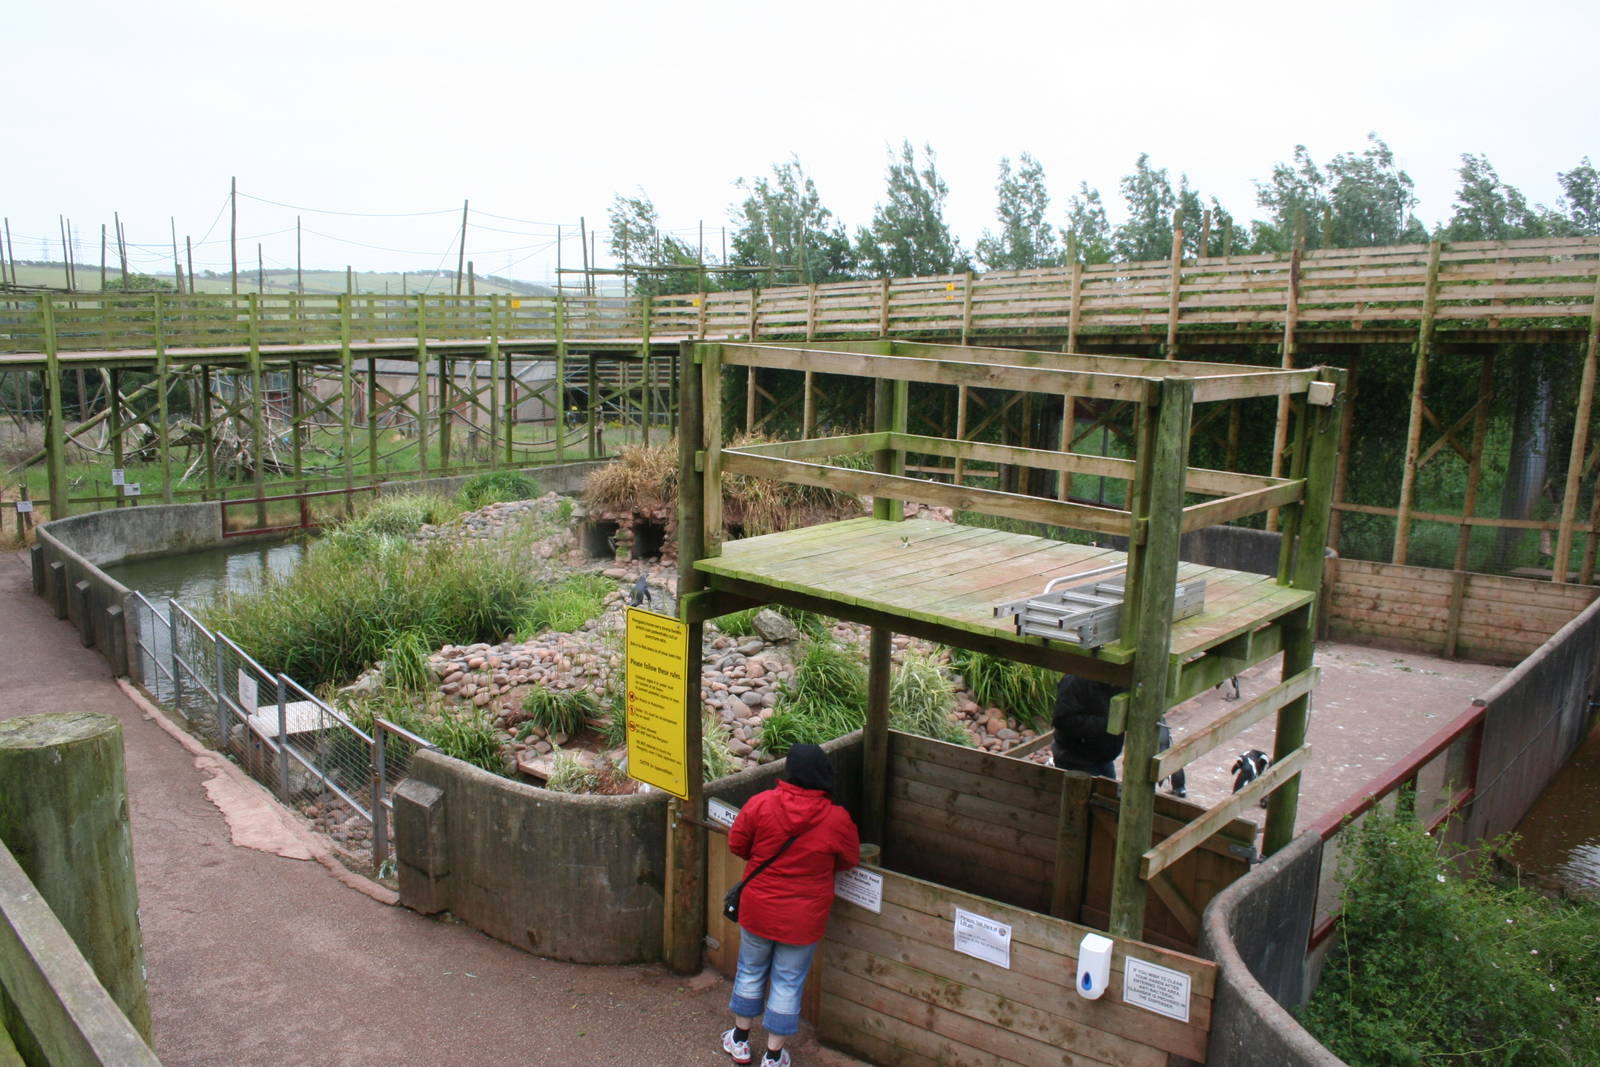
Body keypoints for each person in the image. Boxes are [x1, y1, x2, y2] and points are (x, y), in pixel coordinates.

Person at [722, 743, 860, 1067]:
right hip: (804, 918)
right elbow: (850, 859)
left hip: (759, 906)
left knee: (750, 969)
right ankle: (773, 1055)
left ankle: (740, 1040)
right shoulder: (837, 818)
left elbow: (737, 843)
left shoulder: (761, 804)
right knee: (787, 980)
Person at [1050, 676, 1125, 779]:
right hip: (1076, 760)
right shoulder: (1074, 680)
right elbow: (1062, 720)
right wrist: (1109, 724)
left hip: (1104, 758)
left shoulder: (1116, 678)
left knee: (1108, 792)